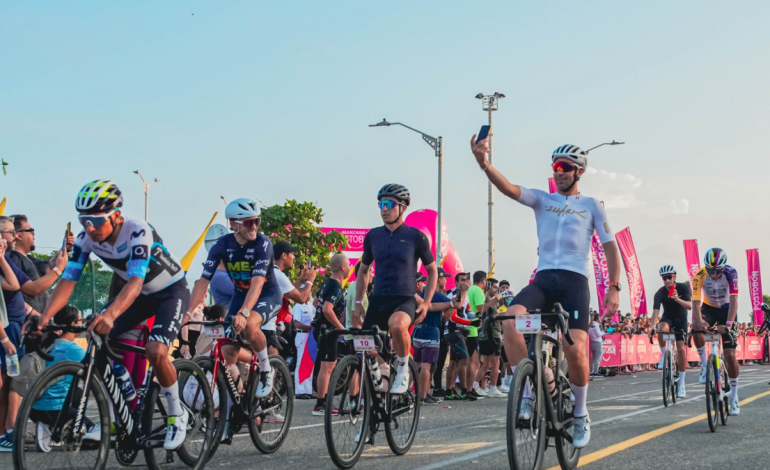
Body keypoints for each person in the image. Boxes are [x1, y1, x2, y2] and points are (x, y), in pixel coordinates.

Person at [472, 138, 622, 448]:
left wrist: (614, 287)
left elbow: (610, 248)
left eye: (565, 168)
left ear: (579, 171)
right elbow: (508, 189)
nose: (560, 172)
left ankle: (580, 412)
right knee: (509, 322)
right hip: (544, 279)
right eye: (556, 167)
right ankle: (528, 391)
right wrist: (484, 163)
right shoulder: (542, 199)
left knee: (575, 348)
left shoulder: (592, 205)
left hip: (574, 283)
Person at [31, 180, 191, 451]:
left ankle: (178, 415)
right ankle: (120, 413)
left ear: (116, 215)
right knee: (96, 338)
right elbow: (68, 281)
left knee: (156, 350)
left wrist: (111, 313)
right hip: (139, 296)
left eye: (95, 220)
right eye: (83, 220)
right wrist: (45, 317)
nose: (88, 227)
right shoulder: (85, 239)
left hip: (169, 291)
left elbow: (135, 282)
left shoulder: (137, 230)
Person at [189, 197, 282, 404]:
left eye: (257, 221)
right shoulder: (222, 245)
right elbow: (203, 282)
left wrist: (244, 312)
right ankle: (236, 401)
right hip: (241, 294)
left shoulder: (263, 243)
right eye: (249, 222)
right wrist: (187, 312)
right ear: (233, 224)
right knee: (227, 350)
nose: (255, 226)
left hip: (266, 293)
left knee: (248, 325)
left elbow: (258, 283)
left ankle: (266, 369)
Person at [354, 184, 437, 395]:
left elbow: (432, 271)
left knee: (397, 325)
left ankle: (402, 369)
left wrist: (426, 303)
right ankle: (381, 379)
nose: (384, 209)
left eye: (389, 204)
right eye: (381, 204)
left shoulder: (416, 237)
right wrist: (358, 301)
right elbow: (363, 271)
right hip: (379, 299)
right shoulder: (373, 236)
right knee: (362, 345)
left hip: (404, 299)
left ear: (403, 207)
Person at [691, 247, 741, 415]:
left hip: (727, 310)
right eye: (710, 270)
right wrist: (700, 321)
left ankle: (734, 397)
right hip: (710, 309)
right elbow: (696, 303)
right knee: (695, 327)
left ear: (723, 268)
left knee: (730, 355)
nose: (712, 274)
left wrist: (728, 324)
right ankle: (705, 366)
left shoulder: (731, 273)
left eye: (716, 271)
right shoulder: (699, 275)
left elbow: (734, 300)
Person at [9, 214, 74, 314]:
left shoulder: (28, 259)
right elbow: (33, 289)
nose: (34, 234)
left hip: (36, 322)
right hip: (27, 323)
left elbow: (50, 266)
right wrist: (59, 269)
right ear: (18, 235)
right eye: (31, 231)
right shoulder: (12, 259)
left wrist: (65, 248)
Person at [312, 253, 351, 415]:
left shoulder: (326, 283)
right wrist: (339, 326)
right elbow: (327, 309)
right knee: (327, 367)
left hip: (320, 329)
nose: (350, 267)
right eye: (348, 264)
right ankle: (321, 404)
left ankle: (323, 400)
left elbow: (315, 303)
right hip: (328, 331)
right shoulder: (335, 286)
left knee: (326, 366)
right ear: (342, 267)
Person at [414, 267, 457, 405]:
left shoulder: (419, 292)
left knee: (416, 365)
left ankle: (408, 393)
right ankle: (423, 396)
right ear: (439, 279)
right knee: (427, 366)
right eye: (445, 278)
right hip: (431, 332)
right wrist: (459, 297)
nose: (446, 280)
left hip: (417, 331)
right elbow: (448, 313)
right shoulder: (437, 295)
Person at [649, 265, 692, 396]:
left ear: (674, 277)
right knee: (661, 329)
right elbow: (655, 312)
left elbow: (690, 306)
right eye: (664, 278)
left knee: (680, 349)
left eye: (669, 277)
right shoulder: (660, 293)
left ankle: (682, 384)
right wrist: (652, 327)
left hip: (681, 319)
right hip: (668, 318)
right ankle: (664, 356)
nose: (667, 280)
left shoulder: (683, 288)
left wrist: (677, 299)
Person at [269, 241, 316, 355]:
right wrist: (310, 280)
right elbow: (301, 298)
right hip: (268, 325)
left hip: (266, 321)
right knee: (271, 364)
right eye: (292, 254)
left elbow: (287, 293)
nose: (294, 257)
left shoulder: (272, 271)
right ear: (284, 255)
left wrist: (301, 279)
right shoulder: (278, 275)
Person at [473, 278, 506, 398]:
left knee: (487, 364)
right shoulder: (486, 300)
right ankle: (492, 388)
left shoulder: (496, 301)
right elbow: (484, 312)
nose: (496, 290)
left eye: (497, 288)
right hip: (490, 334)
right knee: (495, 362)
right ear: (488, 287)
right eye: (494, 287)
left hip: (490, 333)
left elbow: (498, 314)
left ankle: (475, 385)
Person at [444, 273, 475, 401]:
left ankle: (449, 391)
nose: (465, 282)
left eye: (467, 280)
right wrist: (465, 290)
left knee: (454, 362)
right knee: (464, 359)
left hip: (460, 331)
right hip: (453, 330)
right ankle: (464, 390)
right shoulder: (453, 294)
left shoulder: (465, 296)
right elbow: (456, 308)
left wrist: (479, 314)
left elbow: (467, 312)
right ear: (456, 282)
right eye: (462, 280)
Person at [465, 271, 488, 398]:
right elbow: (481, 309)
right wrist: (494, 301)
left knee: (470, 360)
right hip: (472, 327)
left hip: (467, 326)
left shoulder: (470, 289)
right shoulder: (478, 291)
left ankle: (469, 388)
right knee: (472, 360)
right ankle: (470, 388)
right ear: (483, 281)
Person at [292, 299, 315, 399]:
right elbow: (297, 324)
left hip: (310, 337)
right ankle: (299, 391)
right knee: (301, 363)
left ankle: (308, 390)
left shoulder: (311, 305)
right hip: (302, 335)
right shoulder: (298, 306)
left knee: (309, 364)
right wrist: (311, 328)